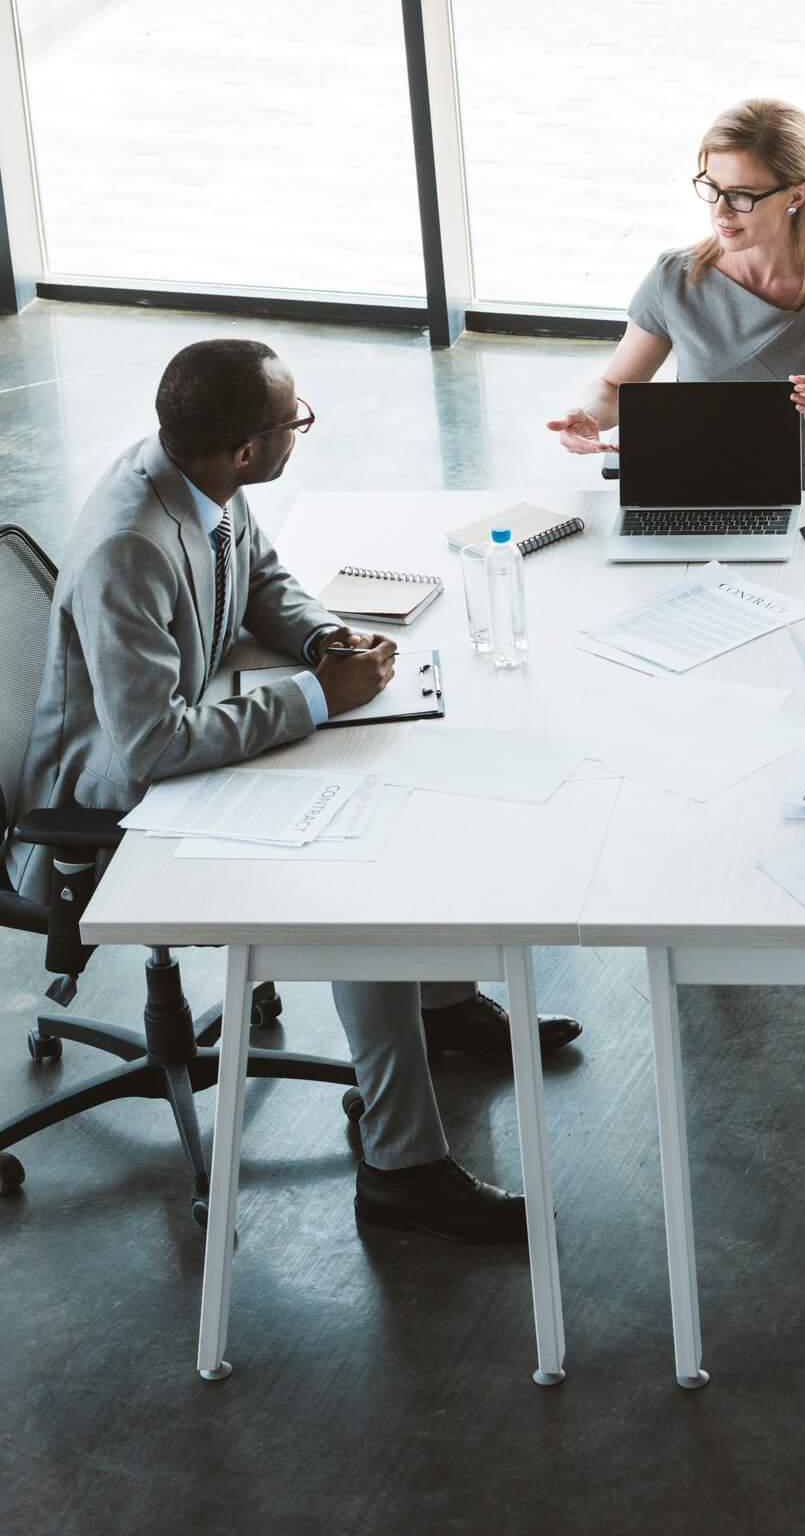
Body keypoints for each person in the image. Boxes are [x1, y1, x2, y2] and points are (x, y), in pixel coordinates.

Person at [18, 338, 581, 1244]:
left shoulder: (192, 478)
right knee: (353, 893)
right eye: (294, 420)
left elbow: (260, 581)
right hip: (121, 802)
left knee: (410, 787)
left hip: (196, 727)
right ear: (244, 448)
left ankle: (438, 1007)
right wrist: (317, 699)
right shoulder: (133, 541)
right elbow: (150, 745)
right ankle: (402, 1170)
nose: (301, 430)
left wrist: (324, 644)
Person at [547, 98, 805, 489]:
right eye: (712, 188)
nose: (721, 212)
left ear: (796, 196)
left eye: (742, 196)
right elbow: (614, 387)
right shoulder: (675, 277)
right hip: (699, 490)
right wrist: (586, 414)